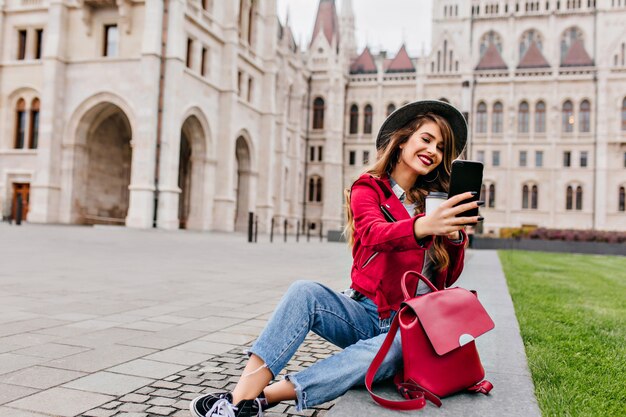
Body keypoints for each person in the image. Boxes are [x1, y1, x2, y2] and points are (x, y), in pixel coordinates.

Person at [189, 100, 484, 417]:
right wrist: (422, 226)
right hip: (366, 311)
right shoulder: (368, 188)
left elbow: (445, 280)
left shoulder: (436, 202)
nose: (433, 151)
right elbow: (373, 234)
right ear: (402, 141)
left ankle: (263, 399)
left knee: (395, 348)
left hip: (410, 324)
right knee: (304, 292)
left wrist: (454, 237)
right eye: (426, 139)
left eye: (441, 147)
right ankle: (236, 401)